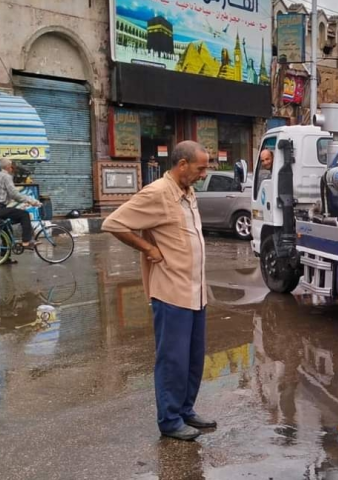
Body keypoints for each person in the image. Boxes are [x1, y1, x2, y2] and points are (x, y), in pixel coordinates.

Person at [101, 141, 215, 441]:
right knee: (172, 359)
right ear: (182, 165)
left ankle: (185, 409)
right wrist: (148, 247)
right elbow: (113, 223)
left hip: (196, 292)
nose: (205, 172)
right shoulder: (157, 193)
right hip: (172, 293)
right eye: (201, 167)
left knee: (193, 358)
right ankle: (169, 420)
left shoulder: (188, 193)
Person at [0, 157, 41, 250]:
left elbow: (7, 194)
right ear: (9, 166)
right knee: (24, 215)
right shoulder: (6, 176)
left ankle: (5, 257)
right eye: (12, 165)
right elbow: (14, 194)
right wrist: (31, 201)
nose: (13, 168)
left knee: (7, 229)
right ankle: (26, 241)